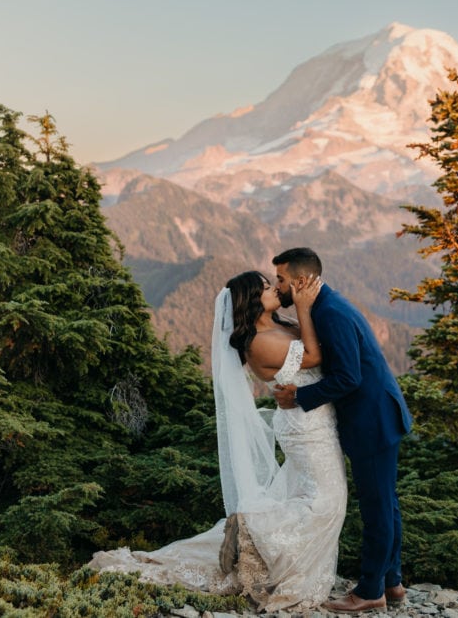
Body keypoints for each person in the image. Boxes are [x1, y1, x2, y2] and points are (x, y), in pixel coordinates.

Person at [89, 271, 346, 613]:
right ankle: (252, 530)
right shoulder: (259, 341)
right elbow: (314, 356)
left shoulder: (275, 326)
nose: (273, 288)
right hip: (304, 428)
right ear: (252, 300)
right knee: (327, 503)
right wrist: (303, 305)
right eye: (266, 287)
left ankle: (261, 538)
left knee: (307, 497)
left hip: (313, 422)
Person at [272, 247, 413, 614]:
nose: (278, 286)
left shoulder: (330, 314)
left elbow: (348, 377)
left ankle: (370, 591)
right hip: (376, 415)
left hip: (372, 420)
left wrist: (299, 396)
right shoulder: (324, 307)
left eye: (281, 280)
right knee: (386, 502)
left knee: (377, 506)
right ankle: (392, 581)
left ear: (301, 281)